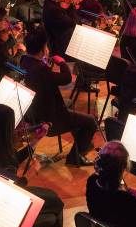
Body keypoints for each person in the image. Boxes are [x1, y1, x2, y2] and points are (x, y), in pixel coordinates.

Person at [20, 28, 97, 167]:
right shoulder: (40, 69)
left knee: (71, 108)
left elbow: (44, 80)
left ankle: (81, 144)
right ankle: (75, 157)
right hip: (48, 120)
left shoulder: (24, 61)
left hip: (33, 112)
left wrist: (46, 66)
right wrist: (61, 63)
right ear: (43, 50)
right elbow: (66, 78)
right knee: (91, 122)